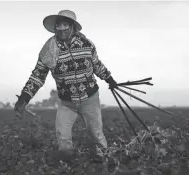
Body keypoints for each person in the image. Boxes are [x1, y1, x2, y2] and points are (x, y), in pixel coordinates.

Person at [14, 10, 118, 162]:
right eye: (58, 25)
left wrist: (110, 80)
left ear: (73, 27)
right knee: (62, 136)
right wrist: (24, 98)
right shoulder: (48, 50)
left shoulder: (87, 44)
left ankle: (105, 162)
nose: (61, 28)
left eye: (65, 25)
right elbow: (37, 76)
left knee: (96, 134)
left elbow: (97, 65)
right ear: (55, 28)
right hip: (67, 103)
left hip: (90, 99)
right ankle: (68, 164)